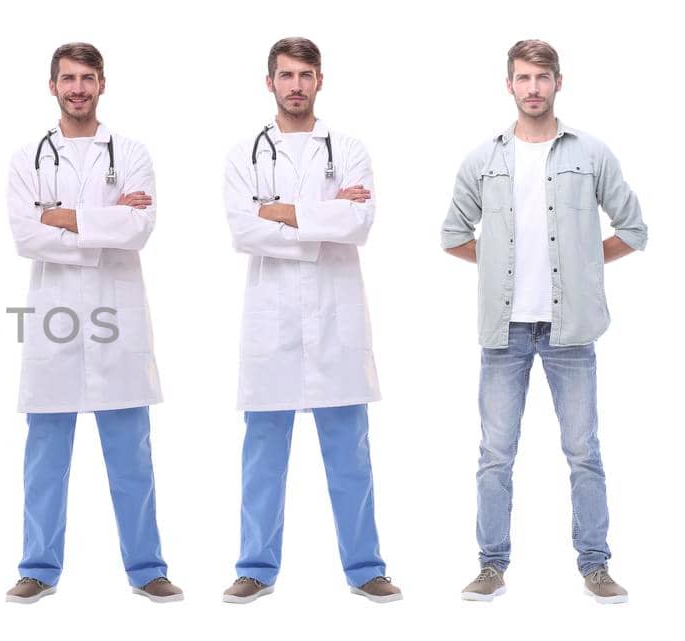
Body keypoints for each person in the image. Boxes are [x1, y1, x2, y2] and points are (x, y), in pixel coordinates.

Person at [442, 39, 646, 605]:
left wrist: (580, 263)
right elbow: (453, 234)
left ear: (559, 82)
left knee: (584, 450)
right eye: (523, 78)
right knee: (494, 455)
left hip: (570, 331)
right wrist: (502, 268)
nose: (533, 88)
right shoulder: (483, 159)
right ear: (508, 85)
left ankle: (597, 566)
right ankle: (490, 565)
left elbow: (633, 229)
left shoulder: (592, 154)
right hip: (504, 330)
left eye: (543, 77)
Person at [219, 36, 399, 604]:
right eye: (285, 75)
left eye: (305, 74)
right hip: (271, 325)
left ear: (320, 80)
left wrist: (282, 214)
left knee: (350, 455)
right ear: (268, 82)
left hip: (335, 321)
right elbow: (244, 231)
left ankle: (366, 567)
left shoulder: (348, 149)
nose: (295, 85)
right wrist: (323, 218)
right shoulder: (243, 153)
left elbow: (358, 225)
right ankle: (255, 567)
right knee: (262, 460)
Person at [0, 42, 179, 605]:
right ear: (52, 87)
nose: (78, 88)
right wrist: (104, 224)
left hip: (117, 321)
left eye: (88, 78)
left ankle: (147, 568)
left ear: (103, 84)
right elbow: (26, 237)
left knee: (132, 459)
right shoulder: (27, 158)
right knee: (45, 463)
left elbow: (138, 230)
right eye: (67, 79)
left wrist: (65, 220)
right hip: (54, 321)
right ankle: (38, 568)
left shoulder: (130, 153)